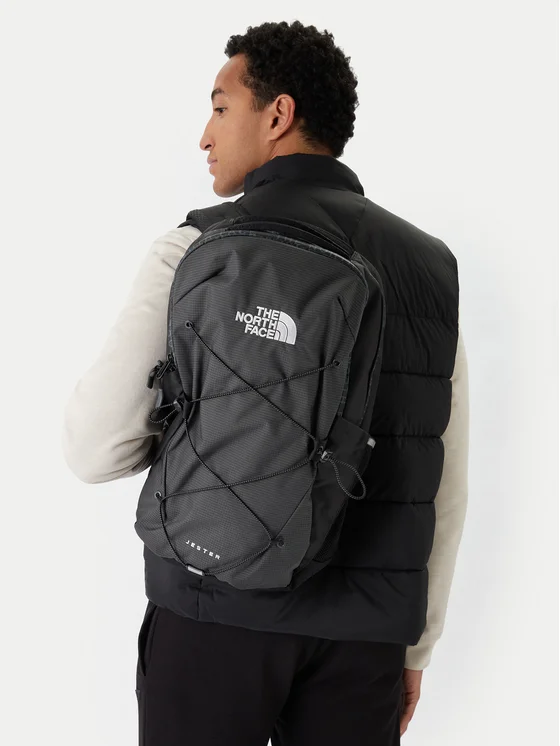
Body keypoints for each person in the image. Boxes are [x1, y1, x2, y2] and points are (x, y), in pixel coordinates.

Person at [61, 20, 469, 746]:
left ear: (278, 115)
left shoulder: (197, 246)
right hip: (365, 640)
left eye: (221, 108)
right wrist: (415, 645)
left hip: (213, 612)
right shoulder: (430, 270)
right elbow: (443, 481)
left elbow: (96, 448)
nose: (204, 136)